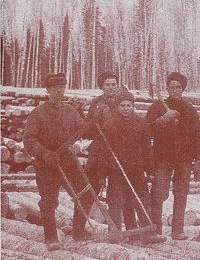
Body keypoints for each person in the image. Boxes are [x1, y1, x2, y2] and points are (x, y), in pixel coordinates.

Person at [23, 73, 86, 250]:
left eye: (62, 88)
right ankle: (51, 237)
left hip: (68, 163)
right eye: (55, 88)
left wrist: (78, 146)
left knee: (84, 195)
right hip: (47, 166)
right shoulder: (38, 113)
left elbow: (83, 132)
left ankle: (78, 231)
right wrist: (44, 153)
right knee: (48, 201)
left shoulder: (71, 111)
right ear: (48, 90)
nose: (59, 92)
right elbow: (29, 140)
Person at [72, 71, 136, 240]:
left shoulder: (123, 102)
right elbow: (90, 130)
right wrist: (96, 119)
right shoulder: (96, 104)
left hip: (119, 154)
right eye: (107, 85)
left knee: (121, 192)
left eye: (114, 84)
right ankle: (77, 229)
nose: (111, 87)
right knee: (88, 190)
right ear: (101, 87)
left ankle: (125, 230)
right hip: (100, 153)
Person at [99, 90, 166, 244]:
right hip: (116, 171)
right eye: (122, 105)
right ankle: (114, 232)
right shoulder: (110, 125)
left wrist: (150, 171)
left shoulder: (140, 123)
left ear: (133, 106)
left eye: (129, 105)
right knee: (115, 201)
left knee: (142, 200)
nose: (126, 108)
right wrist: (102, 175)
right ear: (117, 107)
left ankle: (148, 232)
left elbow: (146, 149)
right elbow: (103, 152)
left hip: (136, 171)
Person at [145, 72, 200, 240]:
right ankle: (155, 229)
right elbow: (145, 130)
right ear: (167, 89)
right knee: (158, 193)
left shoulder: (189, 110)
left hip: (184, 159)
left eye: (178, 87)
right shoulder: (158, 107)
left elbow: (197, 136)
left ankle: (177, 230)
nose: (174, 90)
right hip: (162, 158)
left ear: (183, 89)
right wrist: (162, 120)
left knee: (181, 193)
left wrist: (199, 159)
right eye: (171, 87)